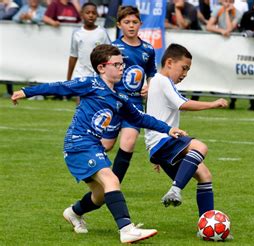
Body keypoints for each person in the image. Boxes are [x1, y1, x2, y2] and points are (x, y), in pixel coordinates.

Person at [10, 44, 187, 243]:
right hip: (78, 144)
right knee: (112, 180)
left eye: (123, 64)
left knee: (101, 194)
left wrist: (168, 129)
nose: (122, 68)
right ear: (102, 67)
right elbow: (59, 86)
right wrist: (26, 91)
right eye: (117, 64)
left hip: (93, 145)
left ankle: (74, 212)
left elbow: (140, 118)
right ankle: (126, 228)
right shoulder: (91, 84)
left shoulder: (119, 97)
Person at [144, 43, 228, 216]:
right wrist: (213, 103)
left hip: (160, 146)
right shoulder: (162, 80)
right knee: (200, 147)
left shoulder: (159, 82)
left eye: (188, 70)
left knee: (204, 175)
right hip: (163, 141)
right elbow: (182, 104)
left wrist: (157, 154)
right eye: (183, 68)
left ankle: (206, 223)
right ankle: (175, 190)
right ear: (169, 62)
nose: (185, 74)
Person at [101, 6, 156, 184]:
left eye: (134, 22)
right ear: (119, 25)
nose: (131, 26)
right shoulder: (114, 48)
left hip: (135, 104)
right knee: (106, 146)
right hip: (115, 103)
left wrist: (149, 87)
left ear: (140, 24)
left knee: (129, 143)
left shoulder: (148, 49)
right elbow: (105, 74)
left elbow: (151, 74)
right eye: (126, 22)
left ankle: (113, 184)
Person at [67, 2, 111, 99]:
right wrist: (68, 78)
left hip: (98, 75)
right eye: (88, 13)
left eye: (93, 13)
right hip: (81, 74)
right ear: (82, 14)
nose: (91, 15)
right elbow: (73, 56)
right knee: (81, 103)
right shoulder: (77, 33)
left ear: (97, 15)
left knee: (96, 104)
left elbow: (110, 54)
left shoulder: (102, 32)